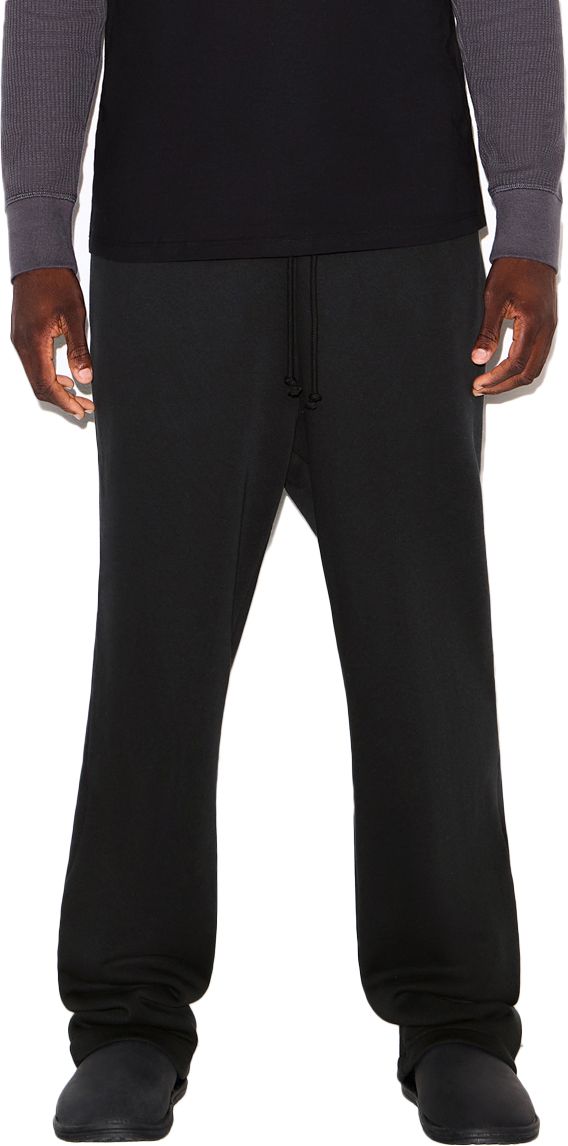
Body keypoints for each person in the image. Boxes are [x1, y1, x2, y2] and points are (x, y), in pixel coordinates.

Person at [1, 1, 564, 1142]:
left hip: (405, 242)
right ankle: (126, 1018)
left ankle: (458, 1022)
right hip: (171, 250)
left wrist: (530, 225)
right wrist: (39, 245)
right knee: (155, 647)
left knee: (428, 653)